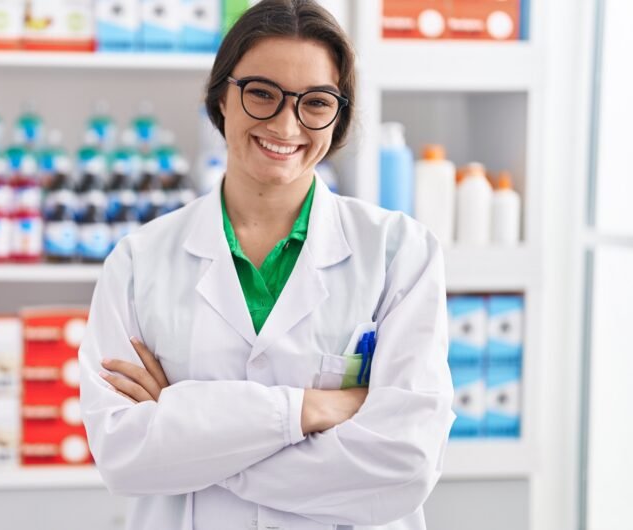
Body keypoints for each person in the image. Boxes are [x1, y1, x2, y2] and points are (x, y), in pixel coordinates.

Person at [78, 0, 456, 528]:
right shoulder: (139, 263)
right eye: (261, 93)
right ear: (221, 98)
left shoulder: (400, 253)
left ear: (339, 114)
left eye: (316, 103)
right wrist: (309, 410)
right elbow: (123, 457)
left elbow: (405, 464)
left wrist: (193, 439)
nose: (285, 123)